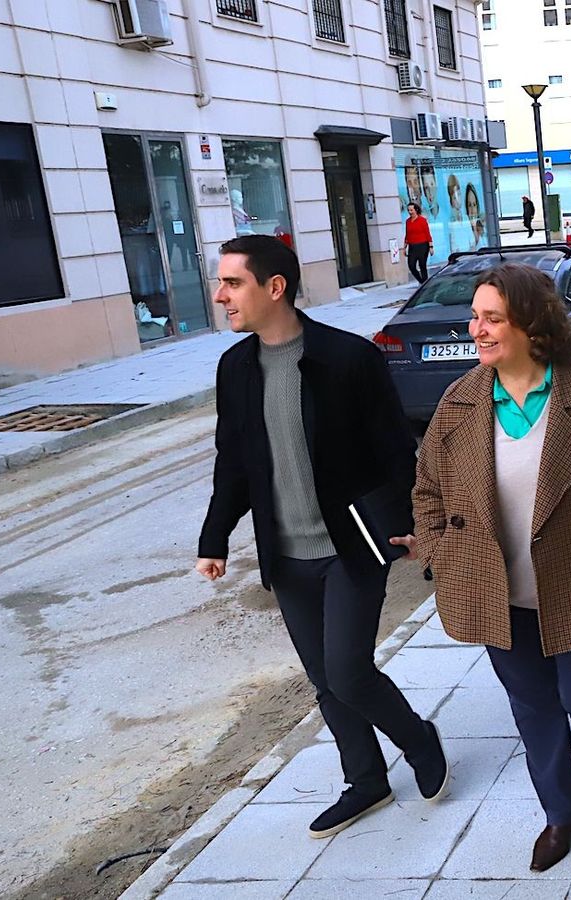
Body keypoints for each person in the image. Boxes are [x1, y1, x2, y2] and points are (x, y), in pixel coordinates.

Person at [394, 264, 571, 872]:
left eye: (492, 318)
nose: (476, 330)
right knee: (533, 706)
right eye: (476, 318)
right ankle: (561, 812)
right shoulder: (460, 402)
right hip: (497, 589)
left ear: (533, 325)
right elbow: (428, 490)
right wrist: (441, 551)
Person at [194, 235, 449, 840]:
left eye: (232, 283)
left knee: (348, 672)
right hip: (285, 555)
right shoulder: (235, 368)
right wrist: (214, 538)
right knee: (324, 681)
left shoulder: (348, 358)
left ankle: (418, 739)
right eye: (220, 282)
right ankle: (365, 781)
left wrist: (410, 525)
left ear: (274, 287)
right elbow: (234, 460)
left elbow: (395, 450)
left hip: (351, 546)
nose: (220, 295)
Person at [405, 202, 432, 283]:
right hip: (412, 246)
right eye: (408, 210)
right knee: (411, 266)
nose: (410, 212)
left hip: (423, 246)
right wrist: (404, 247)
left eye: (411, 210)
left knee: (422, 265)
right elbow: (407, 234)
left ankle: (425, 283)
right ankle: (421, 281)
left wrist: (431, 247)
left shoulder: (422, 220)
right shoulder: (408, 221)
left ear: (416, 210)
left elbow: (427, 234)